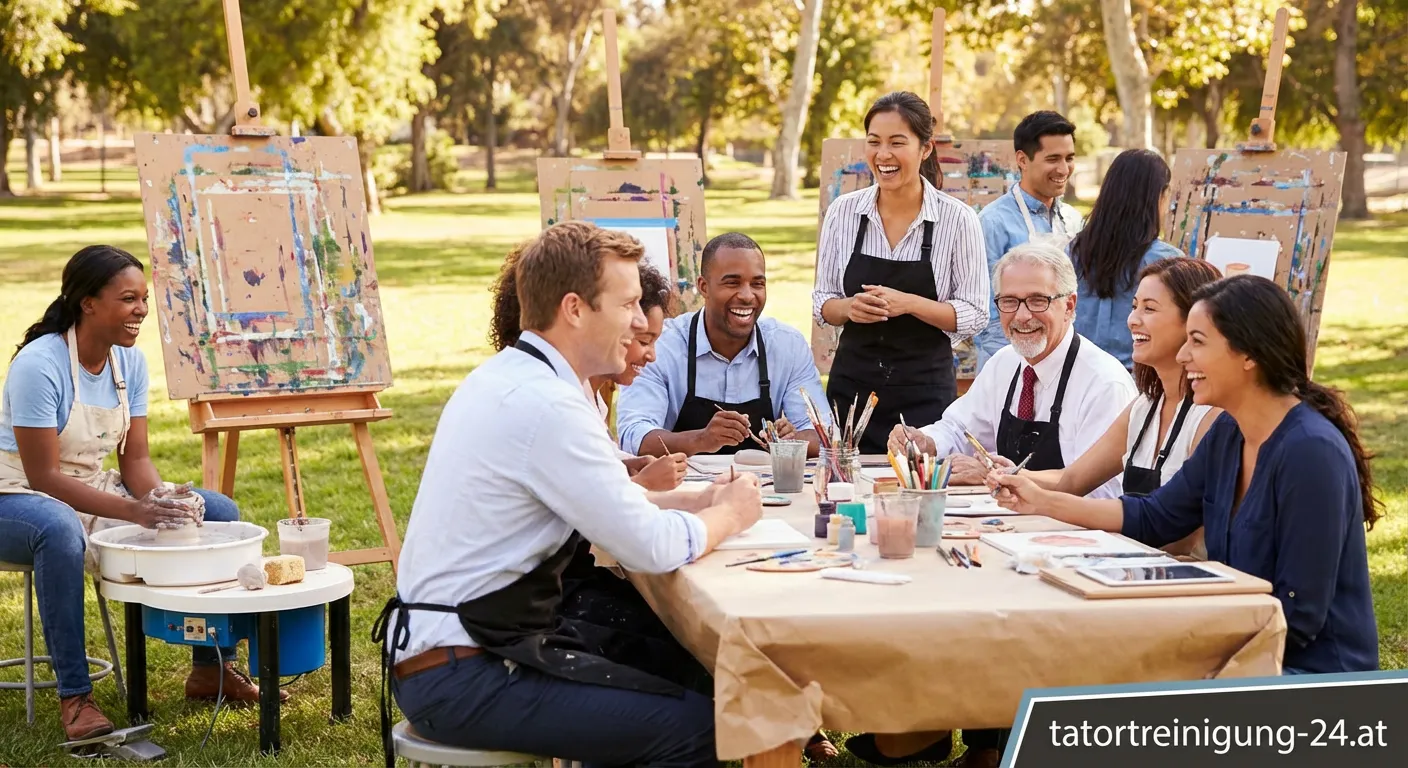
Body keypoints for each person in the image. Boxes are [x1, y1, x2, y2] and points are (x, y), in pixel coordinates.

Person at [375, 222, 764, 768]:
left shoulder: (516, 376)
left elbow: (613, 505)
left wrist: (695, 504)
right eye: (627, 304)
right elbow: (650, 547)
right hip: (464, 674)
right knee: (704, 729)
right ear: (575, 309)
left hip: (458, 651)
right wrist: (729, 514)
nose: (637, 320)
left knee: (684, 663)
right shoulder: (548, 405)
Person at [993, 275, 1382, 676]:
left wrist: (1182, 645)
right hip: (1244, 648)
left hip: (1307, 679)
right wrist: (1041, 501)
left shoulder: (1309, 451)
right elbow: (1155, 517)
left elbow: (1299, 616)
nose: (1183, 357)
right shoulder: (1229, 433)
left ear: (1248, 354)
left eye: (1197, 342)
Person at [0, 246, 281, 742]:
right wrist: (135, 510)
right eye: (128, 299)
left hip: (91, 486)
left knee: (214, 510)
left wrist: (166, 501)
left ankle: (211, 667)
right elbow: (44, 477)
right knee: (59, 528)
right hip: (15, 495)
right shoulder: (39, 365)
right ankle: (75, 695)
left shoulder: (129, 362)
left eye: (143, 299)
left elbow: (135, 462)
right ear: (88, 302)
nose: (141, 310)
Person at [1000, 258, 1225, 558]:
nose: (1133, 320)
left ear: (1194, 321)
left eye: (1149, 308)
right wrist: (1013, 477)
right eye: (1134, 306)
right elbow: (1073, 480)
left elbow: (1177, 536)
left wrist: (1045, 503)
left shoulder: (1211, 416)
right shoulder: (1144, 408)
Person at [811, 91, 989, 453]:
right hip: (852, 393)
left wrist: (908, 303)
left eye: (897, 143)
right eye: (874, 142)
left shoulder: (957, 220)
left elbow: (974, 314)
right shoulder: (843, 213)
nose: (883, 155)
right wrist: (848, 309)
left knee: (919, 494)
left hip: (924, 396)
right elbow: (822, 301)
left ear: (925, 148)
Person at [887, 243, 1136, 496]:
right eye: (1010, 302)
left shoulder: (1104, 383)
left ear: (1069, 305)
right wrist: (927, 442)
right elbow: (958, 430)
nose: (1022, 316)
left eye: (1038, 301)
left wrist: (1005, 477)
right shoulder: (1004, 363)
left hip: (1071, 531)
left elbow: (1103, 490)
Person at [489, 247, 688, 491]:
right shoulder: (554, 403)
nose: (632, 323)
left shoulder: (516, 377)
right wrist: (642, 484)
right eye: (626, 309)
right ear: (576, 312)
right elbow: (605, 510)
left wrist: (621, 465)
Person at [618, 232, 831, 458]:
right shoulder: (663, 344)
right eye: (733, 283)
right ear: (704, 286)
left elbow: (826, 435)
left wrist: (791, 441)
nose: (748, 296)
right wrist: (702, 439)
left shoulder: (788, 346)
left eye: (757, 284)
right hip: (685, 488)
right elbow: (634, 436)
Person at [972, 111, 1082, 369]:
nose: (1064, 169)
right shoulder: (993, 222)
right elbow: (985, 311)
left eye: (1069, 158)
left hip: (1063, 363)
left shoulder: (1073, 219)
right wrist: (1018, 366)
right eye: (1053, 159)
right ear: (1022, 159)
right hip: (1010, 362)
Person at [1069, 148, 1184, 370]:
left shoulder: (1073, 250)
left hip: (1076, 375)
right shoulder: (1168, 262)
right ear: (1160, 196)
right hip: (1139, 383)